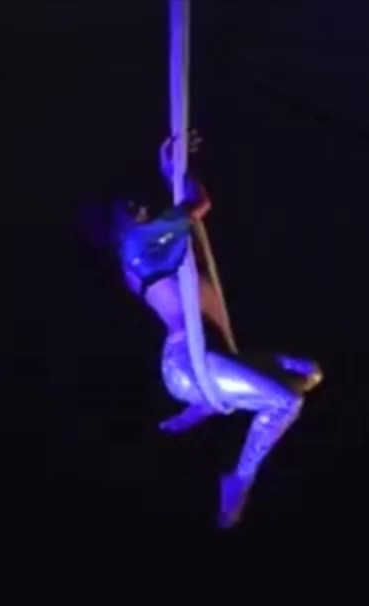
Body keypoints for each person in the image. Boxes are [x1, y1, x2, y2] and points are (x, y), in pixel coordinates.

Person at [97, 131, 323, 529]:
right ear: (115, 231)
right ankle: (240, 479)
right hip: (189, 362)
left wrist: (174, 171)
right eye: (126, 209)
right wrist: (172, 174)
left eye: (133, 202)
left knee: (308, 372)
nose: (138, 206)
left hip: (214, 354)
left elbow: (194, 212)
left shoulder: (160, 241)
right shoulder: (136, 245)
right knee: (285, 401)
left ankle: (205, 403)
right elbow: (199, 205)